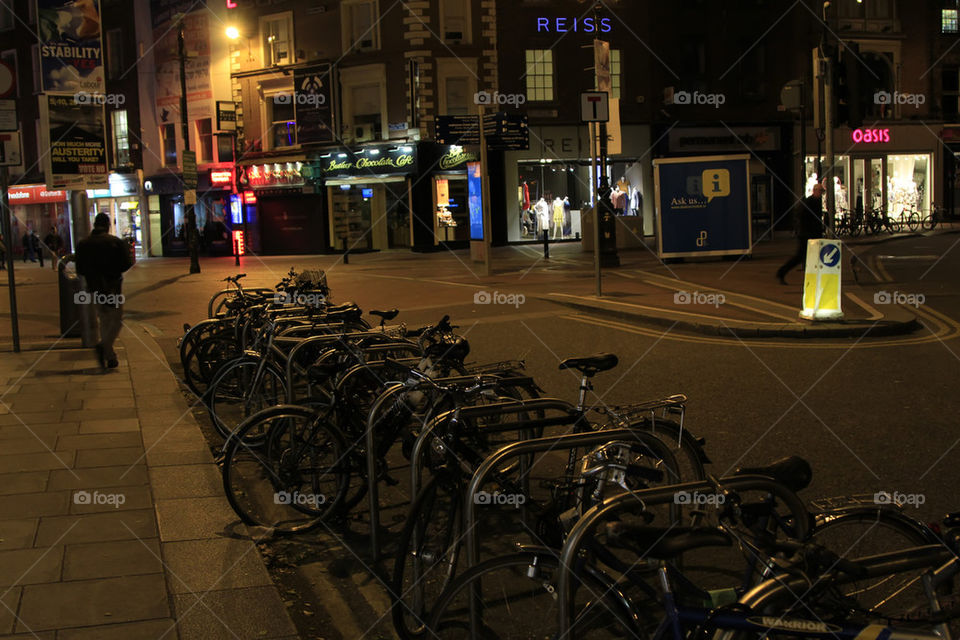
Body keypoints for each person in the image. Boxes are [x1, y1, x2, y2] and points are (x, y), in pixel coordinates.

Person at [76, 213, 134, 369]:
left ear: (94, 225)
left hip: (95, 288)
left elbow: (80, 269)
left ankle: (110, 356)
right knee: (116, 321)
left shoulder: (83, 244)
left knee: (104, 320)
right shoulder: (114, 242)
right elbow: (127, 263)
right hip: (112, 287)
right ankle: (104, 346)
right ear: (108, 225)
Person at [777, 183, 826, 285]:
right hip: (807, 234)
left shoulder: (815, 201)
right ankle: (782, 272)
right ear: (815, 191)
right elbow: (802, 216)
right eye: (821, 191)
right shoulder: (810, 202)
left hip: (810, 234)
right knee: (801, 257)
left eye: (822, 192)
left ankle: (816, 278)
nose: (822, 194)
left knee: (807, 257)